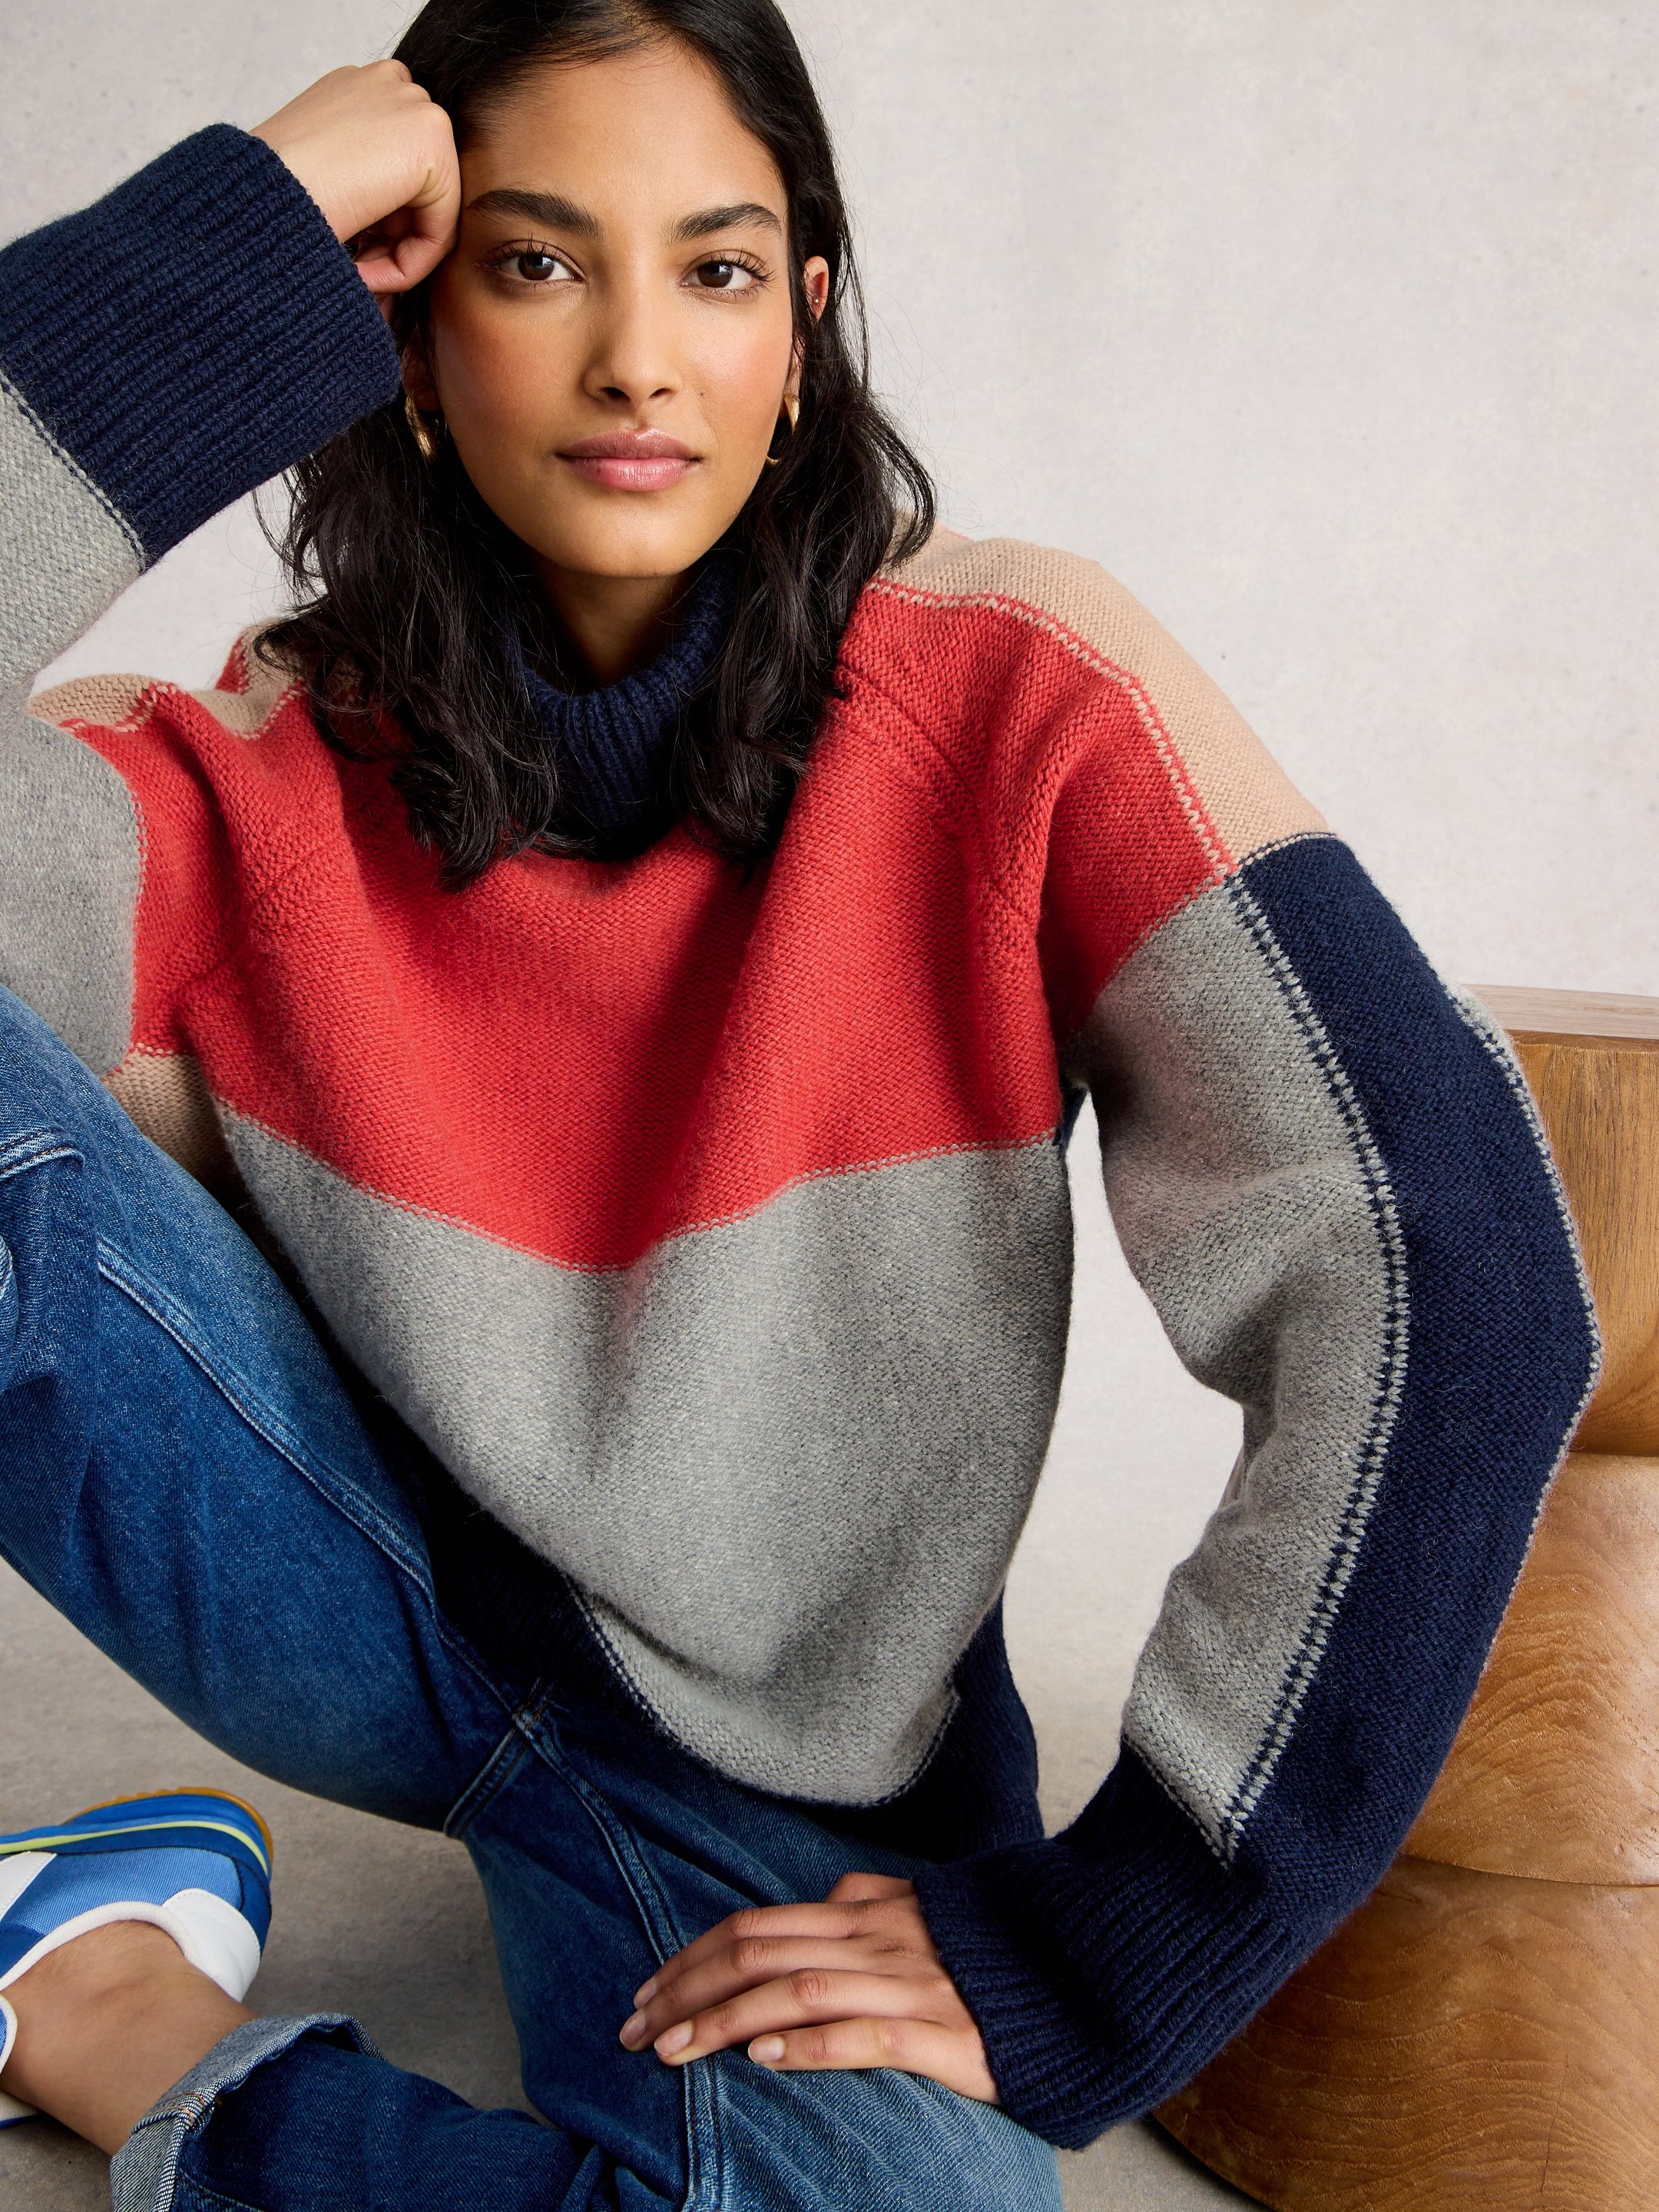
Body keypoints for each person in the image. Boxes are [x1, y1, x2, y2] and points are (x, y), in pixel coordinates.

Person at [0, 1, 1598, 2206]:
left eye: (719, 269)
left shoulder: (1019, 701)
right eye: (540, 262)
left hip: (791, 1773)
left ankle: (110, 2011)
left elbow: (1455, 1272)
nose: (641, 356)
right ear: (399, 328)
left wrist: (1119, 1938)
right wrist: (209, 263)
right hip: (351, 1582)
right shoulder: (238, 786)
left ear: (806, 321)